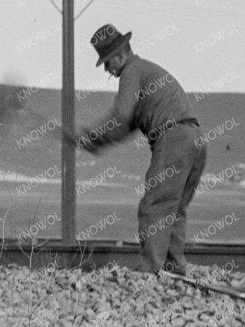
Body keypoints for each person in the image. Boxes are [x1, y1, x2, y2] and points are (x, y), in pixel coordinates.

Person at [75, 24, 206, 274]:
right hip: (194, 139)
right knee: (173, 209)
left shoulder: (131, 72)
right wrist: (97, 140)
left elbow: (121, 117)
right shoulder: (146, 72)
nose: (106, 68)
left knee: (155, 206)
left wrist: (93, 136)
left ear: (122, 55)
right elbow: (127, 125)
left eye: (107, 61)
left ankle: (150, 272)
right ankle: (173, 270)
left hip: (174, 139)